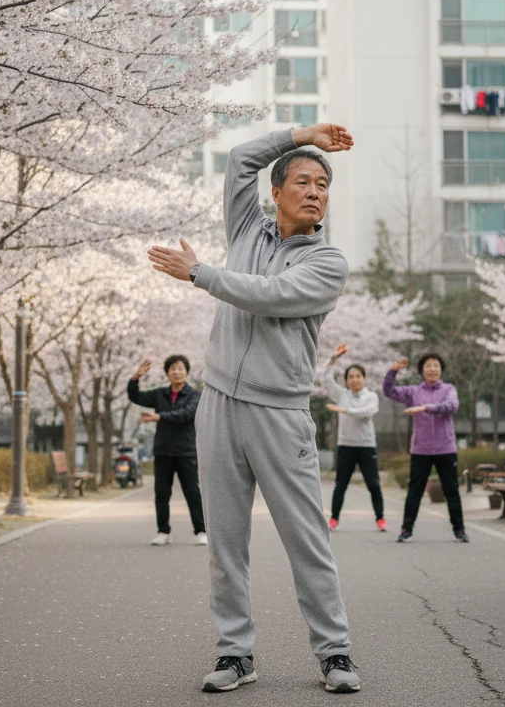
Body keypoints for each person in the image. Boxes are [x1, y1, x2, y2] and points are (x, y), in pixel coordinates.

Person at [147, 124, 362, 694]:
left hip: (280, 413)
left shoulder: (328, 263)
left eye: (322, 184)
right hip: (216, 404)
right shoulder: (246, 228)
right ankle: (235, 653)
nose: (314, 191)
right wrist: (302, 134)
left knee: (305, 537)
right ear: (278, 190)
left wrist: (199, 273)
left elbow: (269, 297)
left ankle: (335, 652)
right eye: (302, 180)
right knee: (225, 539)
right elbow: (242, 157)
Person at [382, 354, 467, 544]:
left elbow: (452, 406)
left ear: (441, 369)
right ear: (422, 370)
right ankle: (406, 529)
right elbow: (389, 391)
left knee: (451, 489)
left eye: (436, 365)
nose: (432, 369)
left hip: (446, 448)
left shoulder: (448, 389)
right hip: (421, 449)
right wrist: (393, 371)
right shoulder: (413, 392)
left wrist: (425, 408)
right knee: (415, 490)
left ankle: (459, 529)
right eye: (428, 366)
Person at [128, 355, 206, 546]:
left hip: (187, 452)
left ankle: (201, 530)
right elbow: (135, 396)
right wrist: (136, 378)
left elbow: (186, 414)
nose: (177, 372)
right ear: (167, 373)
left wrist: (158, 417)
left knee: (193, 494)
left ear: (186, 372)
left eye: (180, 368)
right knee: (161, 493)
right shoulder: (160, 394)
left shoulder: (194, 395)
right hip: (163, 451)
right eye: (173, 369)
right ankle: (163, 531)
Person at [318, 343, 385, 532]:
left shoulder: (371, 396)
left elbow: (367, 412)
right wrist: (333, 358)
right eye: (350, 377)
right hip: (346, 445)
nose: (354, 380)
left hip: (366, 446)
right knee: (341, 485)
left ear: (364, 379)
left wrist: (345, 410)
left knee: (373, 484)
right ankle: (334, 519)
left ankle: (380, 519)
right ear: (346, 380)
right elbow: (326, 380)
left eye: (358, 376)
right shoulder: (342, 395)